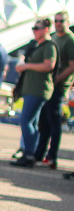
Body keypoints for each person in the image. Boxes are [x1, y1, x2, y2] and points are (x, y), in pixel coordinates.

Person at [11, 18, 57, 168]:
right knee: (32, 122)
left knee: (26, 121)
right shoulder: (37, 45)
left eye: (37, 28)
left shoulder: (49, 46)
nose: (34, 31)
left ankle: (29, 154)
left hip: (38, 90)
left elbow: (49, 66)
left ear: (46, 29)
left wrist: (26, 66)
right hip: (32, 89)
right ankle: (31, 153)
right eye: (34, 28)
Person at [33, 11, 74, 169]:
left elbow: (72, 66)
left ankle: (52, 157)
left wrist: (57, 79)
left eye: (61, 21)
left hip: (58, 86)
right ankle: (39, 153)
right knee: (44, 120)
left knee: (54, 121)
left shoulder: (70, 40)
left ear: (68, 21)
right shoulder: (55, 37)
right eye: (56, 21)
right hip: (48, 85)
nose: (58, 23)